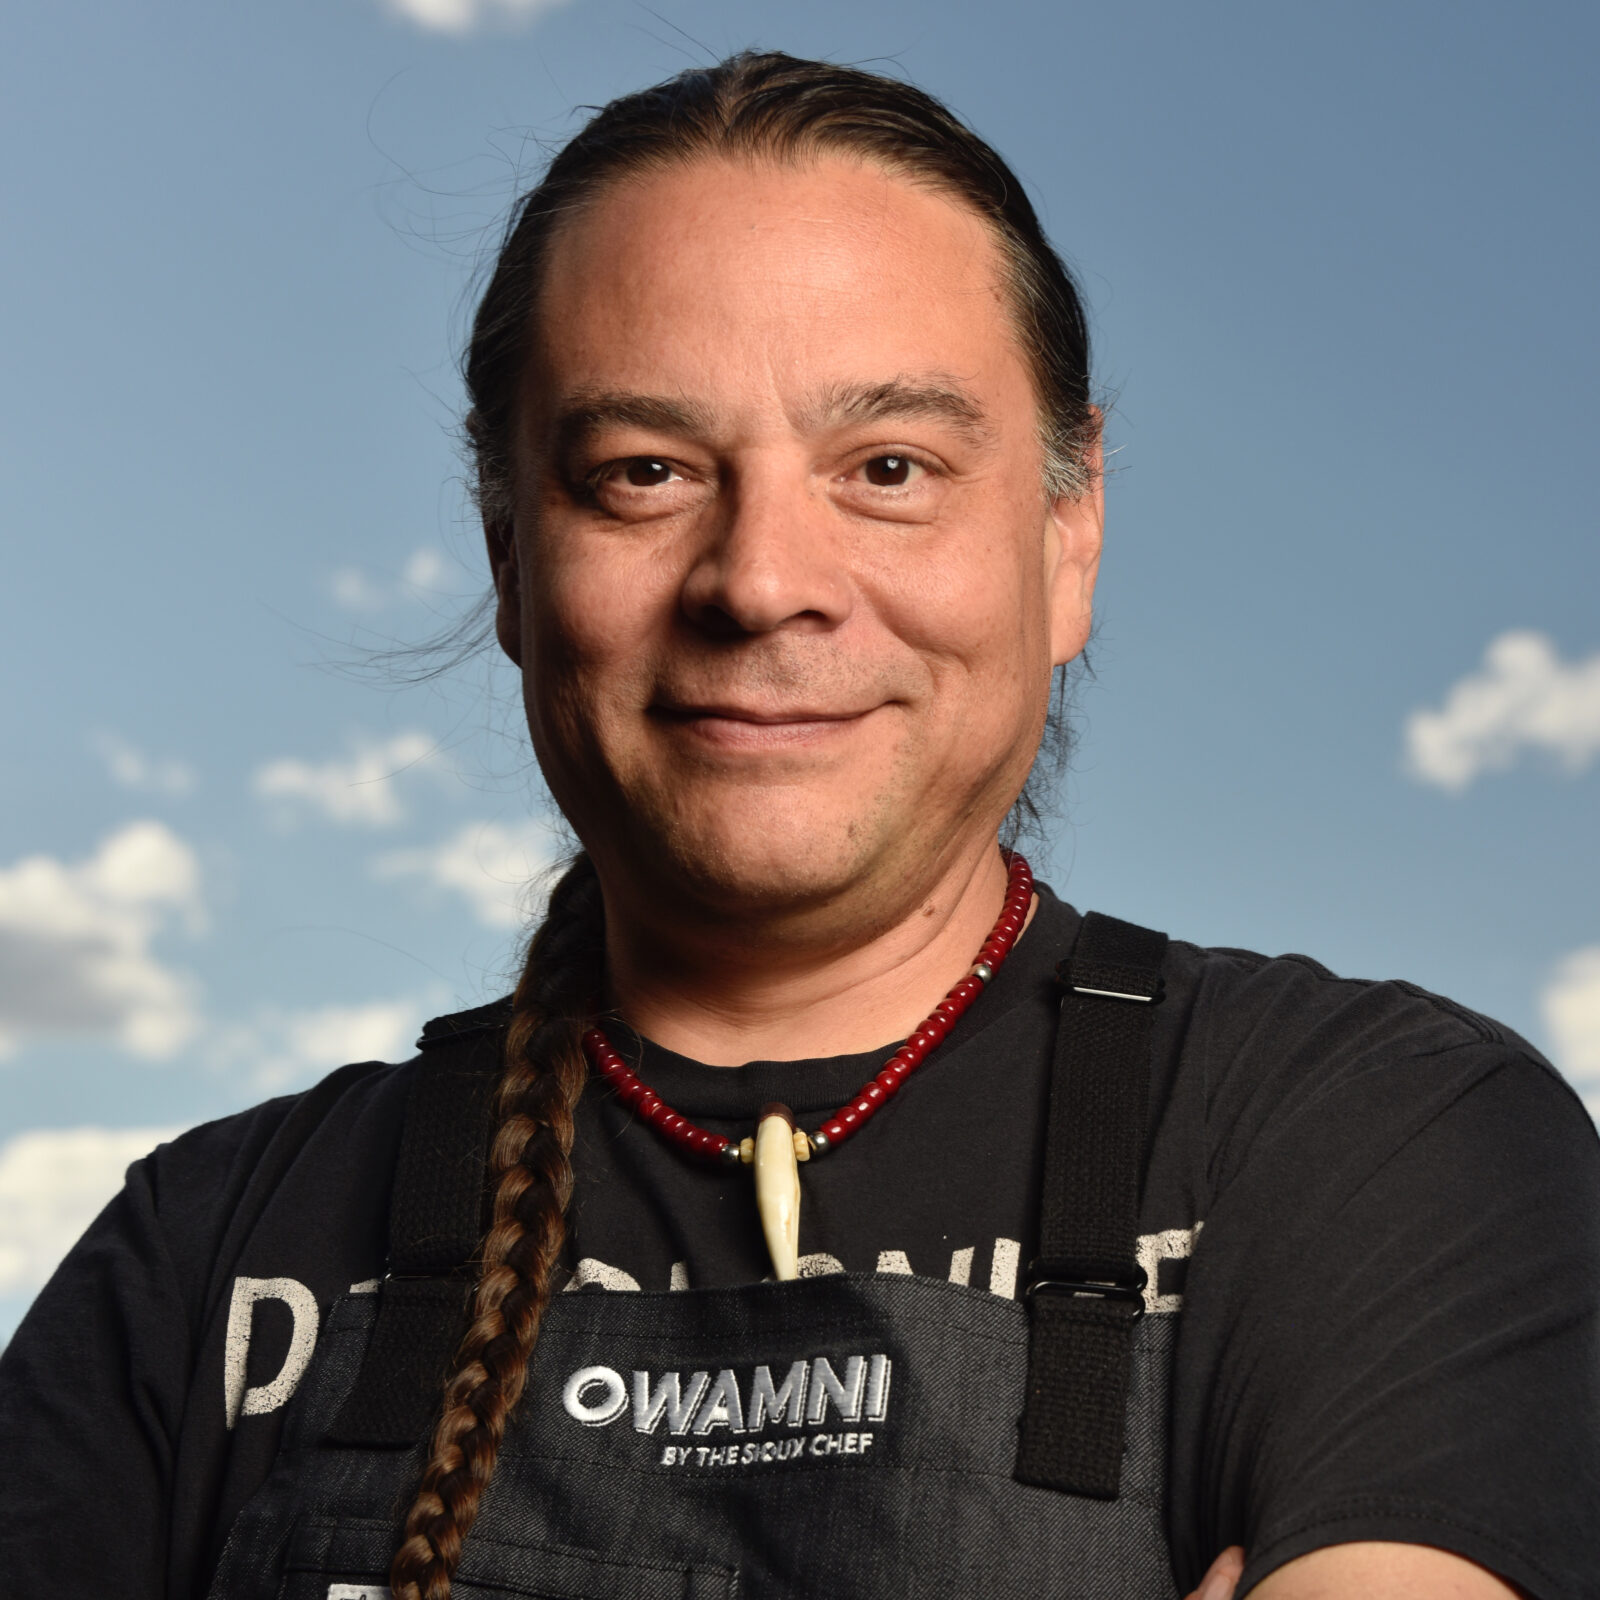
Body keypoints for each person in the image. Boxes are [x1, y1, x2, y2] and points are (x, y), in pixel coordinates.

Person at [1, 51, 1596, 1600]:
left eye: (888, 466)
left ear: (1070, 528)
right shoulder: (198, 1254)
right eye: (642, 474)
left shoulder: (1387, 1151)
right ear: (509, 553)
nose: (762, 581)